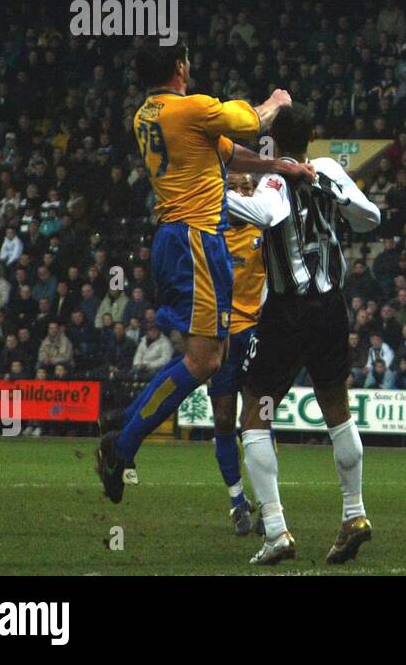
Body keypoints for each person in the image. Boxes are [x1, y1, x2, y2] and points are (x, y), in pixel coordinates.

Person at [96, 39, 309, 502]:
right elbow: (252, 120)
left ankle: (126, 421)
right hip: (197, 238)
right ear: (179, 67)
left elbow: (226, 152)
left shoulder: (146, 115)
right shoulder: (191, 108)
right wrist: (278, 100)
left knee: (210, 353)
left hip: (172, 237)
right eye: (188, 61)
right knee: (206, 360)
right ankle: (124, 442)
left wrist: (275, 165)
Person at [227, 105, 382, 566]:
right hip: (332, 308)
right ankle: (354, 514)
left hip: (287, 311)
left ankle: (275, 530)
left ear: (271, 142)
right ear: (312, 137)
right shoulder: (330, 168)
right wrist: (325, 184)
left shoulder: (274, 182)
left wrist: (211, 197)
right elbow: (370, 217)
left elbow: (262, 214)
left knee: (254, 414)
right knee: (338, 409)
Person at [206, 173, 267, 536]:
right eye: (237, 188)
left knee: (258, 420)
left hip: (256, 334)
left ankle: (267, 504)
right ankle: (236, 501)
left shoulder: (266, 233)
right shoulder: (212, 235)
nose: (243, 193)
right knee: (225, 421)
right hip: (221, 337)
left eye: (250, 188)